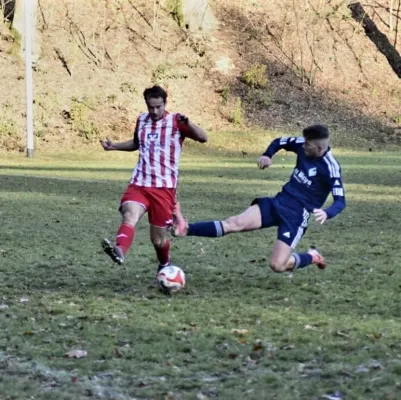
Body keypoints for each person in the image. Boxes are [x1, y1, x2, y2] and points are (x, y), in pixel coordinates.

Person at [172, 124, 346, 272]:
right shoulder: (302, 144)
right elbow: (280, 141)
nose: (303, 147)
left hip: (296, 217)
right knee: (234, 223)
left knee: (278, 265)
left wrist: (327, 213)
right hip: (278, 202)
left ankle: (311, 256)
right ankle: (186, 229)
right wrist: (267, 155)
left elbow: (340, 201)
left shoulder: (331, 168)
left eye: (308, 145)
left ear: (319, 149)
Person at [100, 85, 208, 273]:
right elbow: (136, 143)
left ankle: (165, 265)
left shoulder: (176, 121)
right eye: (151, 107)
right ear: (147, 105)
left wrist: (189, 123)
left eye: (158, 107)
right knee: (129, 215)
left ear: (165, 104)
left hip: (164, 188)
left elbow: (203, 138)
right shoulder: (141, 120)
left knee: (158, 240)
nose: (155, 111)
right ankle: (120, 249)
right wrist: (114, 146)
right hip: (139, 183)